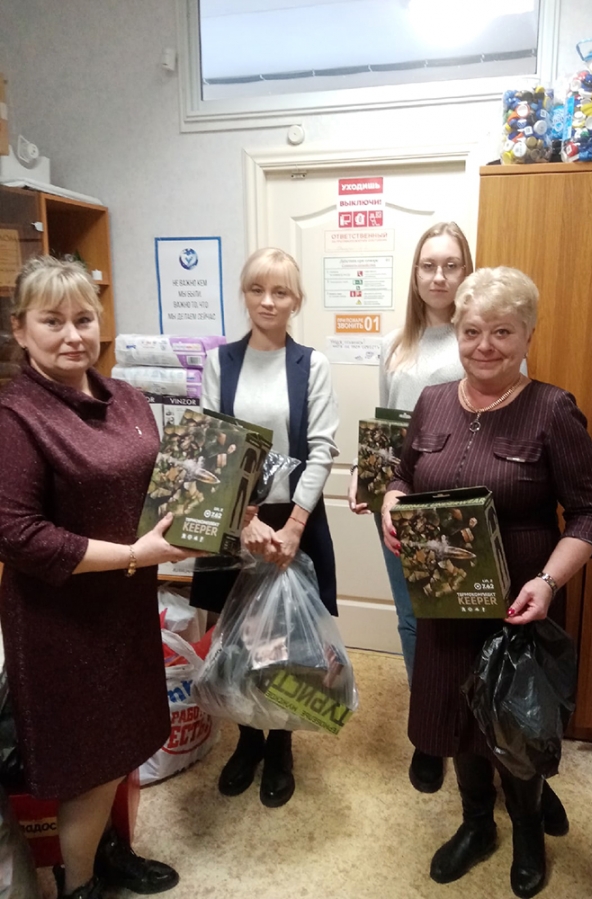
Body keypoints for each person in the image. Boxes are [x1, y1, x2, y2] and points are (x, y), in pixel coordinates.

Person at [381, 267, 592, 899]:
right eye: (472, 330)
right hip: (444, 602)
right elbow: (401, 475)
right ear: (457, 332)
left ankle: (527, 829)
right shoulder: (432, 401)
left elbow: (590, 512)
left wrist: (549, 582)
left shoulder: (551, 409)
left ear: (528, 334)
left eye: (502, 331)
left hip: (518, 605)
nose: (484, 345)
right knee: (457, 721)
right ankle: (477, 824)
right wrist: (394, 501)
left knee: (515, 724)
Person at [0, 256, 204, 899]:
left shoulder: (126, 398)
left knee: (124, 744)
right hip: (63, 625)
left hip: (124, 610)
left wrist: (223, 511)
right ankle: (80, 885)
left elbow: (161, 485)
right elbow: (18, 535)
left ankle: (113, 852)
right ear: (19, 329)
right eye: (52, 321)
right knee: (89, 762)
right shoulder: (16, 416)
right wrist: (134, 555)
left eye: (84, 319)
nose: (72, 335)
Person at [190, 247, 338, 808]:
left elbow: (322, 449)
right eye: (257, 289)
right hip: (235, 519)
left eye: (280, 292)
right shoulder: (220, 363)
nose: (267, 301)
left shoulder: (311, 365)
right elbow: (212, 445)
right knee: (236, 637)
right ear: (245, 294)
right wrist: (242, 519)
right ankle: (247, 739)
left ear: (296, 300)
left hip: (293, 519)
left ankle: (280, 745)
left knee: (286, 638)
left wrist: (294, 525)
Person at [348, 221, 473, 794]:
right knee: (411, 620)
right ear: (415, 274)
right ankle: (428, 730)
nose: (439, 276)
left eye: (451, 264)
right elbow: (387, 426)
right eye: (429, 265)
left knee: (458, 622)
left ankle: (466, 722)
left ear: (466, 271)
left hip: (455, 506)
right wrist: (365, 474)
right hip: (399, 505)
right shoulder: (394, 345)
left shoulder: (476, 338)